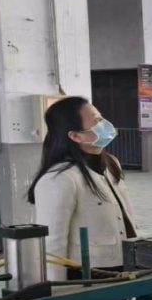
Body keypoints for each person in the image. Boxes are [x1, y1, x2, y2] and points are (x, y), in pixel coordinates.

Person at [28, 96, 137, 282]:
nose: (104, 123)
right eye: (96, 120)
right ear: (76, 136)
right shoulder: (60, 178)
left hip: (125, 263)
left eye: (101, 117)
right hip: (88, 273)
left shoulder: (111, 164)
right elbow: (52, 241)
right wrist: (57, 287)